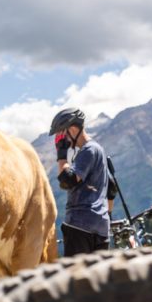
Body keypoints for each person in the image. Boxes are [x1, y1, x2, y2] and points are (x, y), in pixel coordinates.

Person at [48, 108, 110, 256]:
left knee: (77, 277)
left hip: (80, 225)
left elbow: (67, 181)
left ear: (73, 129)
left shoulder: (88, 150)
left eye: (61, 133)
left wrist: (61, 155)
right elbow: (111, 187)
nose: (61, 139)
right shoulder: (98, 150)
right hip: (100, 226)